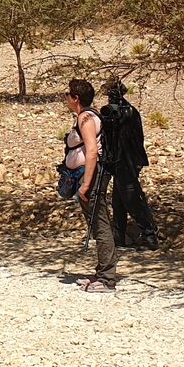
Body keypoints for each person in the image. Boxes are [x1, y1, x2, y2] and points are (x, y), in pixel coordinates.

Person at [64, 79, 119, 292]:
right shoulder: (87, 116)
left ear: (76, 98)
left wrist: (86, 185)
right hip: (89, 177)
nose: (66, 99)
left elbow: (92, 151)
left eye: (68, 95)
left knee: (100, 223)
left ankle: (107, 278)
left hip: (93, 178)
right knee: (96, 222)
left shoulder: (86, 118)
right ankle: (101, 272)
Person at [102, 80, 158, 250]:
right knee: (119, 200)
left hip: (126, 161)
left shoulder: (128, 112)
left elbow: (130, 139)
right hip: (123, 161)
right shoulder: (124, 112)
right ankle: (118, 235)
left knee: (132, 199)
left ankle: (149, 235)